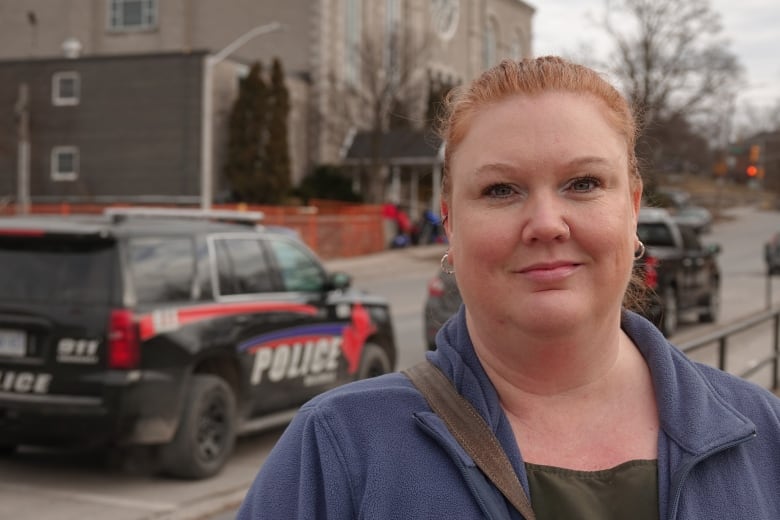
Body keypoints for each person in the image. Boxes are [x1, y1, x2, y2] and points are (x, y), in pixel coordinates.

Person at [237, 57, 780, 519]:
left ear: (633, 209)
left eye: (584, 184)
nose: (546, 223)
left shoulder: (762, 436)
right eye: (501, 189)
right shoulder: (338, 451)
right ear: (450, 222)